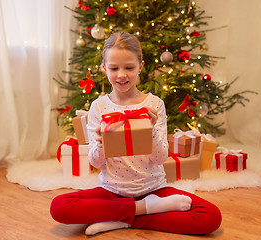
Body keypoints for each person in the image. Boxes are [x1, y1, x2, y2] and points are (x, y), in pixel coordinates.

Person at [50, 32, 222, 235]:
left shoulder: (154, 104)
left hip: (154, 189)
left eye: (129, 68)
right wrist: (101, 144)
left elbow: (160, 158)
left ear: (140, 66)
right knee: (59, 206)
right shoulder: (98, 107)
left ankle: (123, 219)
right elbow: (96, 163)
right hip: (112, 192)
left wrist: (151, 131)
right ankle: (142, 211)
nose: (121, 75)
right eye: (114, 68)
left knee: (210, 216)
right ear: (104, 69)